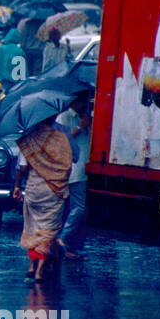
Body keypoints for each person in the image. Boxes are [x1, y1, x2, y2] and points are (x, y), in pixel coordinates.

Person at [12, 119, 73, 281]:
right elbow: (74, 157)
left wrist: (17, 186)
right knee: (48, 230)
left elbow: (22, 167)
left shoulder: (30, 136)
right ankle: (39, 269)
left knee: (34, 228)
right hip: (55, 189)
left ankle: (32, 265)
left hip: (34, 190)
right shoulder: (63, 134)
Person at [56, 95, 92, 258]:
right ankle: (63, 239)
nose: (85, 104)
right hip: (73, 169)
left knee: (77, 210)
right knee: (79, 207)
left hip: (84, 168)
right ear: (74, 101)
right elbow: (62, 141)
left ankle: (70, 246)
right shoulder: (64, 117)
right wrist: (79, 126)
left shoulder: (85, 117)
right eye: (82, 101)